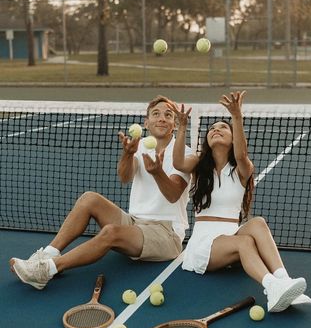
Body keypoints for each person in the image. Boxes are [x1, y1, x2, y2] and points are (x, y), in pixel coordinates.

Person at [10, 96, 195, 290]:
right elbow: (125, 176)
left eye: (168, 115)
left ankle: (46, 271)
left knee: (110, 232)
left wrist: (157, 173)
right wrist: (128, 154)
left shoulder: (185, 155)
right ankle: (48, 254)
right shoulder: (139, 147)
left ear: (175, 124)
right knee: (89, 198)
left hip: (166, 234)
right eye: (156, 114)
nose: (162, 118)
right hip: (135, 224)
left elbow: (173, 194)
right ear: (146, 123)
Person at [173, 92, 310, 313]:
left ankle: (284, 281)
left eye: (223, 127)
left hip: (231, 237)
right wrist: (181, 127)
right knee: (245, 242)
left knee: (257, 223)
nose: (216, 129)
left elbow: (241, 154)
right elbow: (178, 162)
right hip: (204, 246)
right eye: (212, 129)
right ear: (207, 140)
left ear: (233, 138)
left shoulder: (242, 169)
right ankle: (272, 288)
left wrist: (236, 116)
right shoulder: (199, 167)